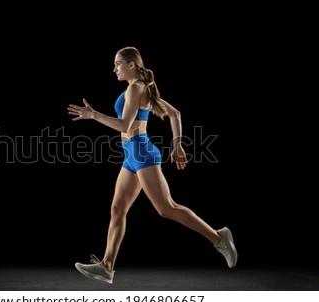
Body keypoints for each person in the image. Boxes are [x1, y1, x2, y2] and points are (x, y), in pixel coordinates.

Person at [67, 46, 237, 285]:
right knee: (117, 209)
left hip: (142, 153)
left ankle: (219, 238)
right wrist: (177, 146)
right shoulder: (138, 88)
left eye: (118, 63)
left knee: (166, 208)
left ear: (131, 64)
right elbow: (175, 114)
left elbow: (126, 125)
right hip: (131, 156)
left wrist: (94, 115)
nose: (114, 68)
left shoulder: (137, 88)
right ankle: (106, 266)